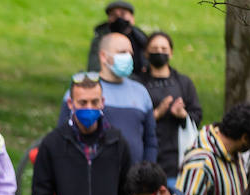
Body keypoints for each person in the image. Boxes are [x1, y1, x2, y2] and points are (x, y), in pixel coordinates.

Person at [59, 32, 156, 169]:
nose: (128, 57)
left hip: (133, 181)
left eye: (130, 53)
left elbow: (150, 140)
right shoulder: (82, 91)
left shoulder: (141, 93)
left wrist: (147, 170)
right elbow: (63, 136)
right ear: (103, 56)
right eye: (122, 52)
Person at [134, 31, 201, 184]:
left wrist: (183, 115)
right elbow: (131, 121)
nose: (159, 52)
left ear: (171, 53)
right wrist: (156, 114)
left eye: (164, 49)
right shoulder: (137, 84)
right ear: (146, 53)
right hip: (145, 158)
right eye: (155, 49)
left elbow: (197, 115)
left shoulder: (184, 83)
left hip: (176, 161)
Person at [86, 1, 148, 76]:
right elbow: (94, 67)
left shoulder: (142, 40)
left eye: (123, 14)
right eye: (113, 15)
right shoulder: (100, 40)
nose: (118, 18)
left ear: (132, 18)